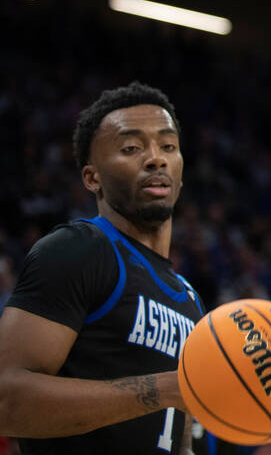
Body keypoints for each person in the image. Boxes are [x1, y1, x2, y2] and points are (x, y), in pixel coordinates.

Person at [0, 82, 205, 454]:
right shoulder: (79, 250)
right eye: (131, 148)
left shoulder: (190, 298)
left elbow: (180, 440)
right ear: (92, 178)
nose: (155, 158)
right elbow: (6, 401)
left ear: (180, 169)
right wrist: (163, 389)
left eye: (168, 146)